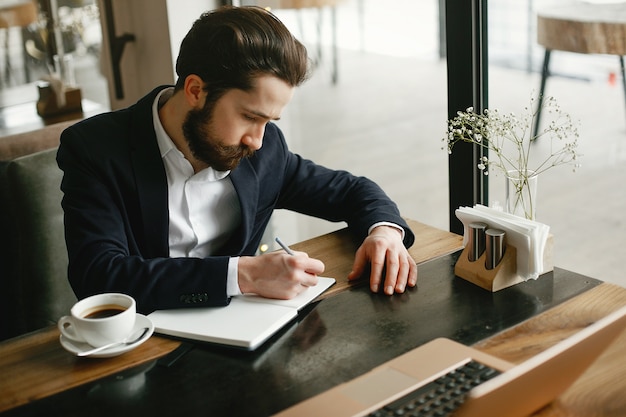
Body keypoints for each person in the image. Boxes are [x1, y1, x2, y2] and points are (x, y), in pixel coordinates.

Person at [57, 6, 417, 314]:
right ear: (196, 90)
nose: (257, 141)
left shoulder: (264, 148)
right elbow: (99, 277)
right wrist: (246, 274)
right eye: (249, 116)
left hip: (245, 339)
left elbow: (350, 190)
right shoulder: (94, 148)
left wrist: (384, 231)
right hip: (143, 345)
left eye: (268, 121)